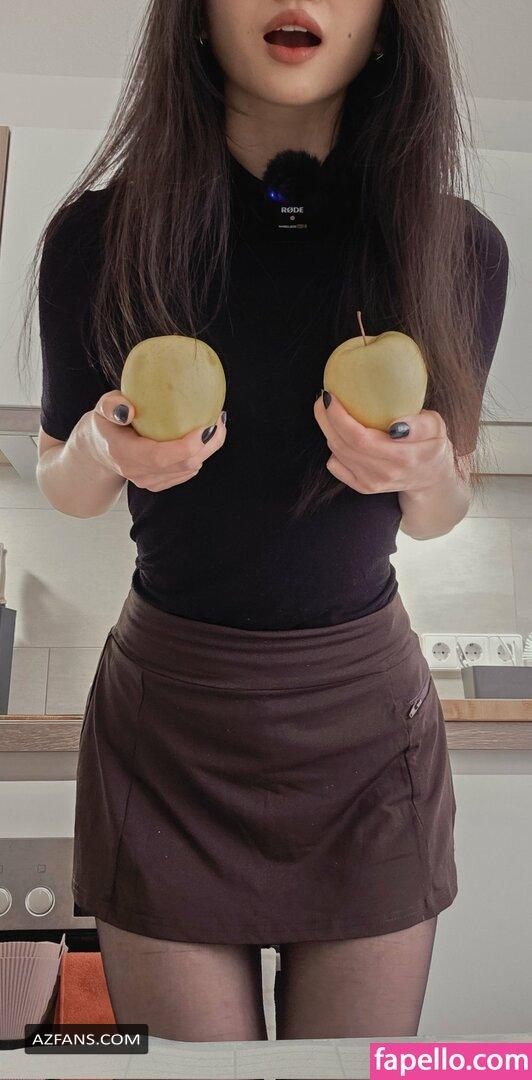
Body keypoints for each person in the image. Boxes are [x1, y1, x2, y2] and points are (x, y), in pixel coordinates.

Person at [31, 0, 509, 1045]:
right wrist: (104, 449)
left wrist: (428, 467)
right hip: (170, 726)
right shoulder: (100, 236)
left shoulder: (457, 247)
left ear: (387, 23)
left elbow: (441, 509)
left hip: (363, 726)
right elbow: (62, 481)